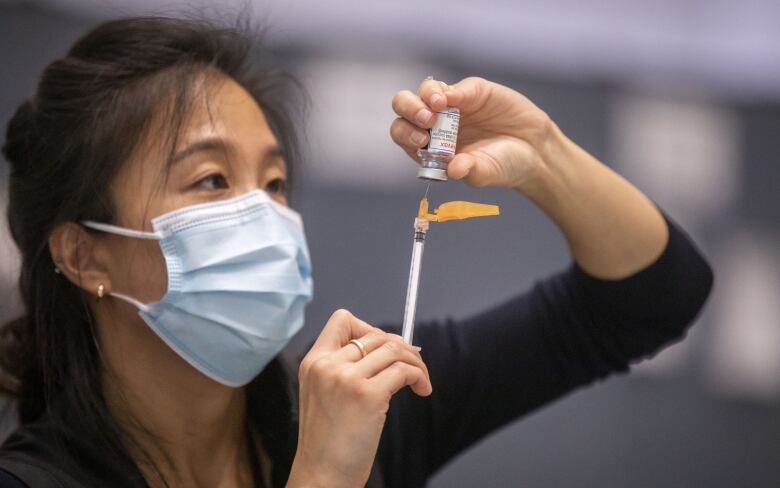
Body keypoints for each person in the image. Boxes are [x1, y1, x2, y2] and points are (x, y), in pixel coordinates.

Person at [0, 15, 712, 488]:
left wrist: (544, 157)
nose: (267, 215)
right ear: (84, 256)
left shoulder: (367, 407)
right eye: (212, 179)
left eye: (275, 182)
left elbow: (651, 297)